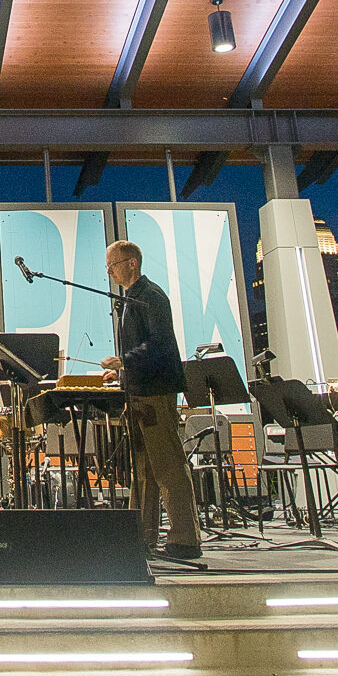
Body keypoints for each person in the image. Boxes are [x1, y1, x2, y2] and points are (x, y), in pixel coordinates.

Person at [102, 240, 201, 561]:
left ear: (132, 263)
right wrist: (120, 375)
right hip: (138, 392)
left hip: (156, 393)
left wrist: (124, 361)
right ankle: (142, 536)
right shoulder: (131, 299)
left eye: (113, 264)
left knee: (168, 465)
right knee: (142, 469)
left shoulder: (151, 296)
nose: (110, 271)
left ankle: (185, 538)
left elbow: (161, 345)